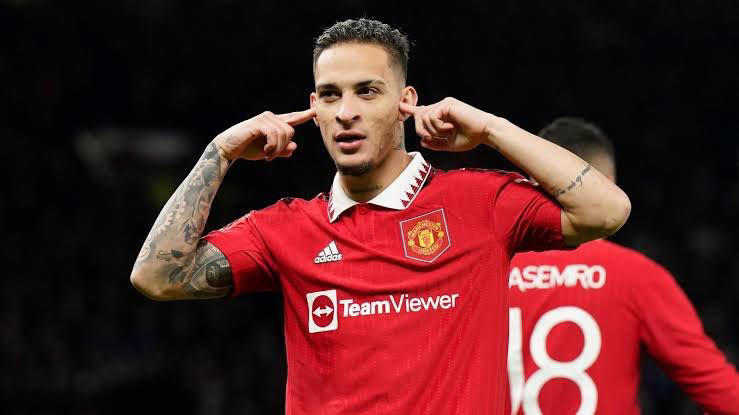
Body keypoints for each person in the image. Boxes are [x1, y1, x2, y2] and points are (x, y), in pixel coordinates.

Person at [129, 19, 631, 414]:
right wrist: (219, 152)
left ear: (405, 102)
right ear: (314, 108)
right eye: (330, 95)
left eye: (367, 91)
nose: (346, 111)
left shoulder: (480, 204)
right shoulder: (284, 229)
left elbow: (606, 210)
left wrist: (490, 129)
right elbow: (156, 277)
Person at [506, 117, 739, 414]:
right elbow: (725, 396)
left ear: (533, 182)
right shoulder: (637, 277)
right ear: (609, 187)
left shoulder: (489, 271)